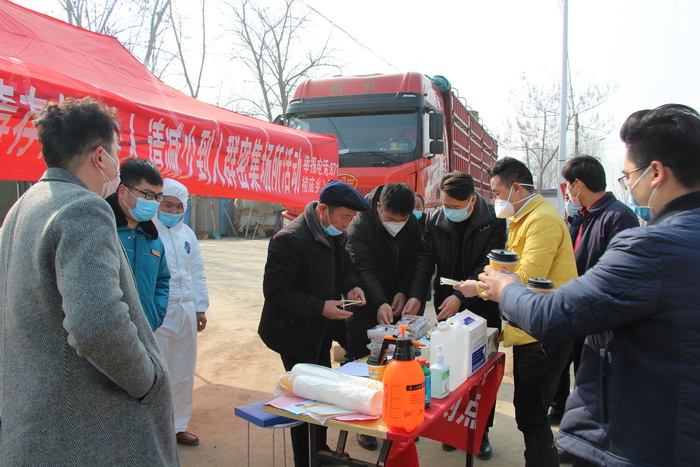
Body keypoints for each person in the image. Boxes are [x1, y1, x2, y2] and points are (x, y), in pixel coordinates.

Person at [477, 103, 700, 466]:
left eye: (629, 176)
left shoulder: (652, 245)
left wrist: (506, 288)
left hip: (641, 438)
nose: (630, 186)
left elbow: (553, 316)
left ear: (655, 173)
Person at [0, 97, 178, 465]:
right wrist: (149, 382)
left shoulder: (22, 207)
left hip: (34, 420)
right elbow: (97, 326)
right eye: (116, 153)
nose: (117, 165)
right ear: (101, 157)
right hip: (86, 431)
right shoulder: (84, 207)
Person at [456, 157, 577, 467]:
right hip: (529, 328)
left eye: (497, 193)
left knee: (532, 415)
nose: (495, 200)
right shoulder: (523, 219)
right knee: (529, 413)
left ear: (517, 188)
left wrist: (483, 287)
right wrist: (479, 283)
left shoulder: (542, 221)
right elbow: (505, 270)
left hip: (543, 332)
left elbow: (524, 278)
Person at [259, 179, 369, 467]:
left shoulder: (334, 232)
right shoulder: (289, 240)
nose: (347, 224)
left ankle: (320, 450)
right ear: (323, 209)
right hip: (294, 333)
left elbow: (344, 268)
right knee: (305, 401)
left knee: (322, 394)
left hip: (321, 327)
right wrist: (321, 307)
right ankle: (306, 459)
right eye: (345, 216)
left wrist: (352, 286)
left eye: (352, 218)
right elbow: (276, 292)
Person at [404, 171, 506, 459]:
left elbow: (490, 263)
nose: (449, 211)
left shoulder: (493, 221)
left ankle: (480, 433)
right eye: (446, 205)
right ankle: (452, 428)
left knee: (481, 372)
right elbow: (425, 261)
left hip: (483, 302)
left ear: (472, 201)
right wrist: (416, 294)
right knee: (449, 367)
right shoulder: (435, 221)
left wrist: (462, 295)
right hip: (446, 302)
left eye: (456, 207)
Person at [548, 156, 638, 430]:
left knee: (591, 376)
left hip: (597, 313)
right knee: (570, 367)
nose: (567, 193)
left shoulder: (619, 217)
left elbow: (617, 275)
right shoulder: (586, 216)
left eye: (568, 186)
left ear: (578, 184)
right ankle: (562, 412)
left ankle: (587, 433)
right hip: (577, 307)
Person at [345, 182, 420, 451]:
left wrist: (403, 292)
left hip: (397, 300)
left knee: (400, 362)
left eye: (403, 219)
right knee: (363, 363)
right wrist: (379, 302)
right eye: (391, 219)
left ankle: (398, 414)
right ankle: (362, 423)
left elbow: (415, 260)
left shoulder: (411, 222)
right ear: (378, 208)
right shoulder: (360, 223)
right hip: (365, 301)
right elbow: (362, 267)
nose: (397, 224)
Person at [153, 178, 210, 447]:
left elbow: (196, 271)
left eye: (179, 207)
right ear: (158, 203)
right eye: (168, 205)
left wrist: (200, 307)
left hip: (186, 309)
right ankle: (154, 428)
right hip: (158, 311)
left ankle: (178, 425)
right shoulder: (146, 231)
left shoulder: (187, 234)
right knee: (156, 370)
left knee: (183, 369)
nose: (173, 212)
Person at [106, 158, 170, 331]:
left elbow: (162, 280)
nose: (153, 202)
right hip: (110, 337)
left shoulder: (153, 239)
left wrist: (156, 315)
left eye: (158, 197)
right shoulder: (103, 231)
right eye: (148, 195)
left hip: (146, 331)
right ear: (123, 191)